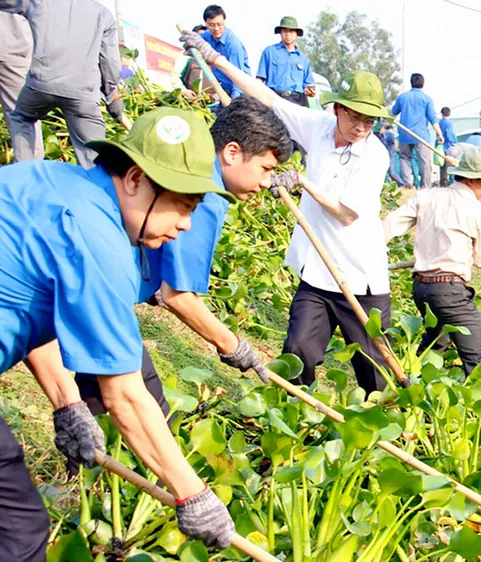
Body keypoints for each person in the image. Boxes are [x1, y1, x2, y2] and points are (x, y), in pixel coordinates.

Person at [0, 108, 238, 558]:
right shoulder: (99, 239)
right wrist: (194, 495)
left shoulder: (52, 180)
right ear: (133, 179)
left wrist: (68, 405)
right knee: (17, 530)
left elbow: (34, 298)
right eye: (181, 206)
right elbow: (124, 396)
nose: (186, 224)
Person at [181, 30, 396, 395]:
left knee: (374, 371)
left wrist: (302, 181)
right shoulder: (320, 127)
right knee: (297, 353)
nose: (361, 127)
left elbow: (346, 214)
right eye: (355, 117)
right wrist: (215, 59)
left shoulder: (375, 155)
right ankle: (293, 421)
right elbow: (266, 98)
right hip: (318, 272)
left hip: (360, 277)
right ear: (338, 109)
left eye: (370, 121)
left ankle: (389, 431)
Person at [70, 97, 292, 416]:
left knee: (99, 401)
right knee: (147, 411)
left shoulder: (192, 167)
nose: (266, 182)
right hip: (94, 288)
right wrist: (233, 346)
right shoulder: (204, 196)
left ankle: (82, 459)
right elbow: (178, 296)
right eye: (266, 169)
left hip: (91, 286)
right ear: (232, 152)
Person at [383, 147, 481, 374]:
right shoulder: (479, 211)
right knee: (475, 341)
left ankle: (413, 384)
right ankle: (478, 398)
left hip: (421, 288)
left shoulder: (426, 196)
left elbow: (389, 225)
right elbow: (478, 259)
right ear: (472, 180)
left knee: (437, 336)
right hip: (449, 291)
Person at [3, 0, 123, 169]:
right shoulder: (103, 14)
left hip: (40, 86)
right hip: (83, 94)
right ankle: (94, 187)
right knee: (93, 155)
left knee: (21, 117)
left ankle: (25, 171)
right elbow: (109, 62)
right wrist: (112, 97)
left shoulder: (39, 2)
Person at [391, 73, 443, 189]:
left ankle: (408, 184)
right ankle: (426, 187)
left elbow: (393, 113)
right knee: (424, 161)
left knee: (404, 158)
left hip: (405, 135)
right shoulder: (427, 99)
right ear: (423, 84)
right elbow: (432, 118)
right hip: (421, 136)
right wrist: (439, 133)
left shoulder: (403, 97)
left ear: (411, 83)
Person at [0, 12, 41, 158]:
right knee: (22, 115)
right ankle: (31, 175)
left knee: (22, 115)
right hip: (12, 42)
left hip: (12, 43)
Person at [256, 16, 316, 108]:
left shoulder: (303, 59)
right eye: (285, 31)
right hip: (274, 99)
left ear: (296, 34)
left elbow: (309, 86)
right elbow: (259, 81)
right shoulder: (269, 52)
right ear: (280, 33)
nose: (288, 34)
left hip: (297, 101)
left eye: (291, 31)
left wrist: (310, 91)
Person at [200, 5, 250, 98]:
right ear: (206, 23)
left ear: (224, 22)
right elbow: (195, 41)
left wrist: (234, 102)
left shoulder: (234, 45)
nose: (216, 29)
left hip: (241, 92)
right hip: (223, 91)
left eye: (219, 24)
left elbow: (237, 78)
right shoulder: (206, 37)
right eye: (212, 25)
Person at [438, 106, 457, 184]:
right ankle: (451, 182)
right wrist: (453, 143)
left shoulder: (440, 122)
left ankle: (443, 182)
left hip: (441, 146)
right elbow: (449, 134)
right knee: (451, 166)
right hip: (448, 147)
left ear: (442, 114)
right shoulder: (449, 123)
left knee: (442, 166)